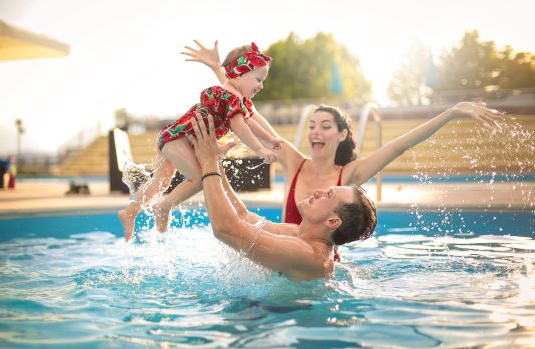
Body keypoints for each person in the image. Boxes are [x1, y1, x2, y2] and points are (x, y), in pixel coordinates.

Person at [181, 40, 506, 227]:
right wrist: (218, 71)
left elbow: (399, 146)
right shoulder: (294, 163)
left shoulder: (349, 175)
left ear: (341, 135)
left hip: (315, 268)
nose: (315, 132)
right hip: (280, 258)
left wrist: (449, 114)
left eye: (324, 126)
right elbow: (245, 108)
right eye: (311, 126)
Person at [118, 42, 282, 241]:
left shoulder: (235, 98)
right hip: (180, 139)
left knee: (161, 182)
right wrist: (259, 148)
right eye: (258, 79)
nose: (261, 85)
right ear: (240, 73)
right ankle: (164, 206)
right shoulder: (229, 96)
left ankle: (130, 212)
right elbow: (240, 127)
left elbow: (249, 122)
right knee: (200, 178)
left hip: (173, 137)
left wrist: (270, 139)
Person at [189, 114, 377, 281]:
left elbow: (226, 230)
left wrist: (208, 164)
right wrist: (216, 164)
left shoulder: (308, 256)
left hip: (281, 315)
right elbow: (243, 217)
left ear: (333, 220)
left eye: (328, 195)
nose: (318, 192)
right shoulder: (296, 233)